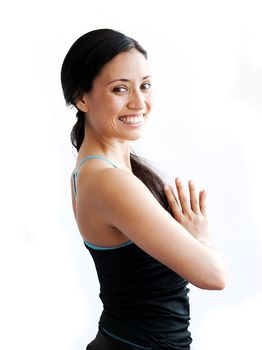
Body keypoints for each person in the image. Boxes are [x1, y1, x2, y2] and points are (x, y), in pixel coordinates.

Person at [60, 28, 226, 350]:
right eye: (120, 89)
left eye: (145, 86)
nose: (139, 102)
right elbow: (214, 276)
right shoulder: (109, 180)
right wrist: (201, 238)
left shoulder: (92, 171)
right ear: (82, 97)